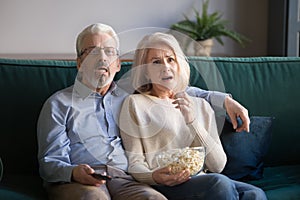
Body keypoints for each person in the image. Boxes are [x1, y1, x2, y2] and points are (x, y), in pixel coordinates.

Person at [37, 23, 250, 200]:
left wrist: (225, 101)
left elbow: (172, 87)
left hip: (124, 179)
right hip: (79, 182)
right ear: (79, 63)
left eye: (109, 52)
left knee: (154, 199)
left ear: (118, 64)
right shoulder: (59, 104)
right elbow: (48, 163)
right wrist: (73, 172)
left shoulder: (128, 94)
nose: (102, 58)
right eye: (92, 51)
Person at [118, 32, 267, 200]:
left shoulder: (201, 105)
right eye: (156, 62)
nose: (165, 67)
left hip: (202, 179)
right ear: (145, 72)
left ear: (179, 64)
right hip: (164, 184)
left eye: (170, 59)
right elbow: (135, 162)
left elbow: (217, 166)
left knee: (255, 193)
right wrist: (153, 176)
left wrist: (192, 121)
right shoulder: (135, 104)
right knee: (220, 184)